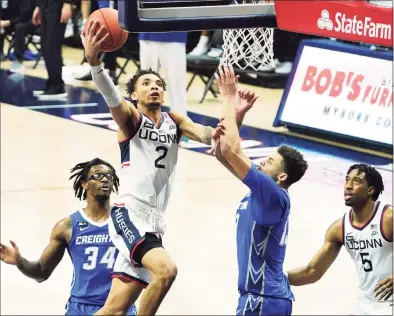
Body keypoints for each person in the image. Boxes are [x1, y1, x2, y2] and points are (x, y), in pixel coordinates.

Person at [80, 20, 248, 316]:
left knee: (114, 310)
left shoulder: (176, 122)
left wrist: (231, 110)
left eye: (158, 84)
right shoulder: (131, 120)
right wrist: (94, 62)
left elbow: (218, 140)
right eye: (146, 84)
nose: (154, 87)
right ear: (134, 95)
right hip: (129, 212)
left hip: (155, 220)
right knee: (167, 270)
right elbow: (111, 96)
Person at [212, 64, 308, 316]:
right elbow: (222, 154)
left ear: (282, 176)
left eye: (270, 161)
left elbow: (232, 151)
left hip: (262, 299)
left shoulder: (272, 193)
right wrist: (238, 116)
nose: (263, 162)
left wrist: (229, 98)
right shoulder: (263, 191)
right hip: (263, 297)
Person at [0, 158, 137, 316]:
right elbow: (41, 272)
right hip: (80, 308)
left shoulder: (127, 222)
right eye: (98, 175)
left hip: (120, 307)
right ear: (84, 184)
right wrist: (19, 261)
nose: (105, 179)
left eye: (109, 176)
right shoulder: (67, 227)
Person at [287, 164, 392, 315]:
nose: (348, 186)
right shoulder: (339, 229)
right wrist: (277, 277)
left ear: (370, 190)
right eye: (347, 180)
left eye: (356, 181)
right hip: (367, 302)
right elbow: (312, 271)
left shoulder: (388, 218)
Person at [31, 0, 72, 99]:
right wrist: (38, 6)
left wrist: (68, 3)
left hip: (58, 4)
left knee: (52, 46)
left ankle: (57, 86)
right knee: (45, 46)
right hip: (45, 4)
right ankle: (51, 82)